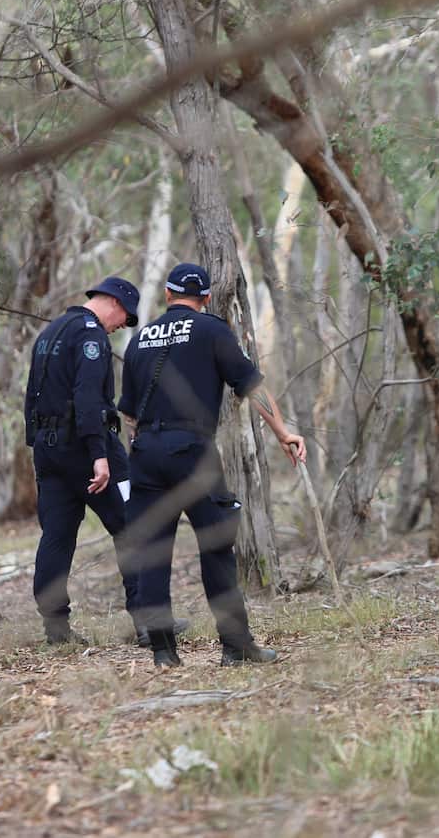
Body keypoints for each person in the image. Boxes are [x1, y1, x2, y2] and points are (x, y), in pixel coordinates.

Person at [119, 262, 306, 668]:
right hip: (192, 451)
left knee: (152, 553)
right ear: (204, 299)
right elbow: (251, 387)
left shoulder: (140, 339)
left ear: (168, 295)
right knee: (216, 548)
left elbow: (129, 415)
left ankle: (164, 653)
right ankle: (236, 648)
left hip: (146, 452)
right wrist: (283, 433)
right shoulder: (212, 330)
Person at [24, 276, 143, 645]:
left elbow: (32, 394)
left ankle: (56, 629)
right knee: (134, 526)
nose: (123, 325)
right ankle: (150, 622)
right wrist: (99, 456)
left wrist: (38, 446)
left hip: (49, 449)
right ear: (114, 303)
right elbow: (88, 396)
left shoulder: (51, 332)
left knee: (56, 537)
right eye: (126, 317)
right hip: (89, 449)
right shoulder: (91, 335)